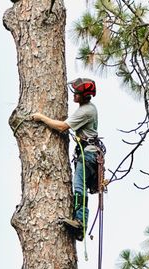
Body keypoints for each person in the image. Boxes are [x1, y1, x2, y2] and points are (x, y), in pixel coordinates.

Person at [32, 77, 99, 240]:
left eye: (77, 93)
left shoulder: (86, 111)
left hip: (88, 154)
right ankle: (79, 220)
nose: (74, 95)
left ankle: (80, 221)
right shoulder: (86, 108)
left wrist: (41, 118)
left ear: (84, 96)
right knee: (79, 186)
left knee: (79, 186)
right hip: (88, 152)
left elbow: (62, 127)